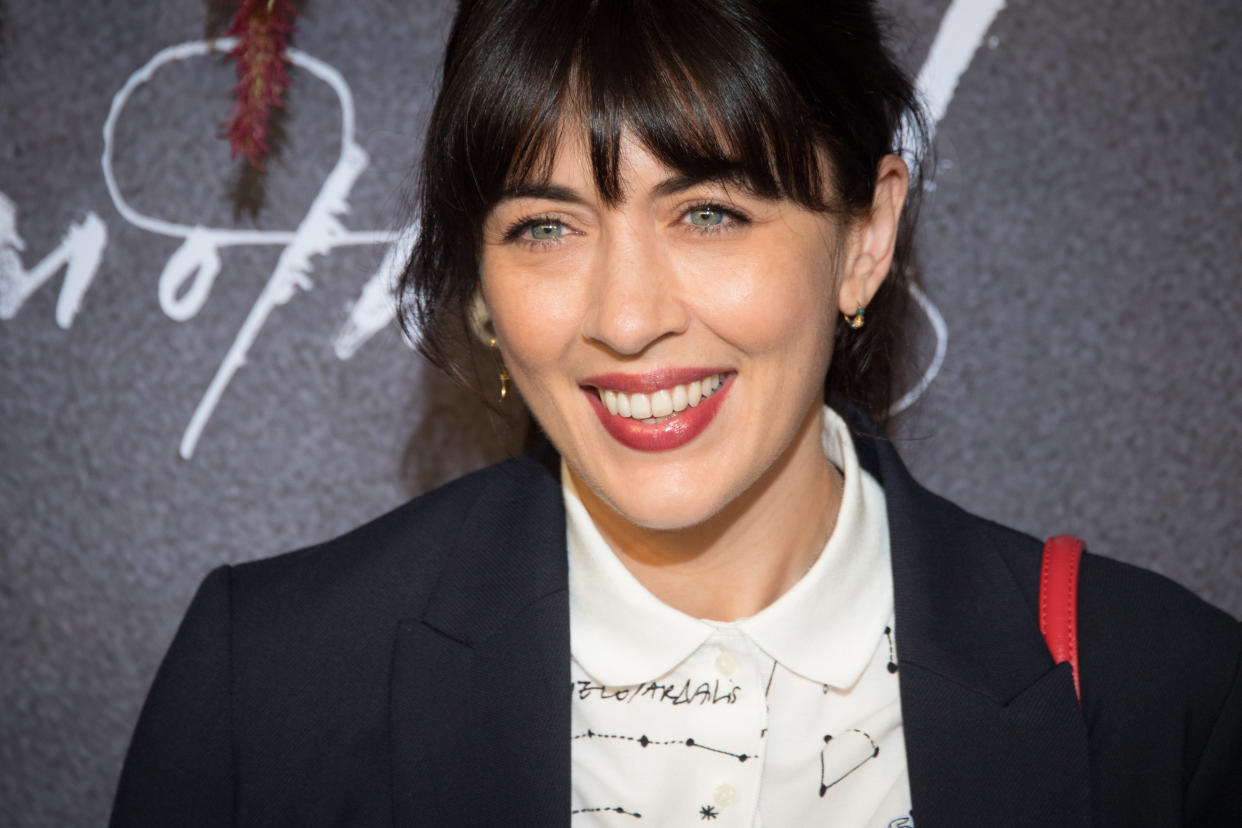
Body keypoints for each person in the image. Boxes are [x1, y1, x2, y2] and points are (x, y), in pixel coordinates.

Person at [111, 1, 1242, 825]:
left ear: (865, 236)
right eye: (546, 227)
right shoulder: (263, 687)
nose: (627, 316)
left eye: (707, 213)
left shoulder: (1164, 701)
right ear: (484, 290)